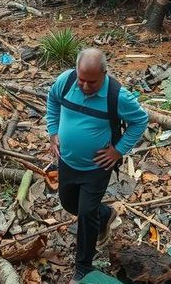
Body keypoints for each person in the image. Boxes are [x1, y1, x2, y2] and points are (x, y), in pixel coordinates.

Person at [46, 48, 149, 283]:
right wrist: (53, 130)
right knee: (69, 203)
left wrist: (118, 150)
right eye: (81, 79)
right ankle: (105, 214)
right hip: (67, 161)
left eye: (91, 82)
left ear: (104, 73)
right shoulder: (66, 81)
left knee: (85, 214)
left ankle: (83, 267)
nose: (84, 86)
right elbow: (52, 100)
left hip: (96, 167)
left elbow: (140, 120)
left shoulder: (116, 96)